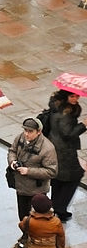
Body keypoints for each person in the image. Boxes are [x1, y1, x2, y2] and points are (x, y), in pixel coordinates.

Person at [44, 89, 85, 220]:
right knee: (74, 176)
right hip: (64, 151)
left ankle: (56, 206)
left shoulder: (57, 106)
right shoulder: (65, 113)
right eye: (72, 96)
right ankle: (60, 209)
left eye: (77, 96)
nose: (75, 99)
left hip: (55, 146)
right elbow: (68, 133)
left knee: (58, 178)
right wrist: (83, 125)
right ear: (66, 96)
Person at [9, 116, 59, 220]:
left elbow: (52, 171)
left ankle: (31, 235)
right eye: (25, 130)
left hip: (37, 191)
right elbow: (12, 150)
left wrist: (28, 171)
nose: (26, 134)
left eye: (30, 131)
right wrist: (12, 161)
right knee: (22, 216)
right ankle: (25, 234)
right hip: (20, 187)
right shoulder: (20, 138)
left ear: (39, 131)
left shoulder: (48, 148)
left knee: (35, 219)